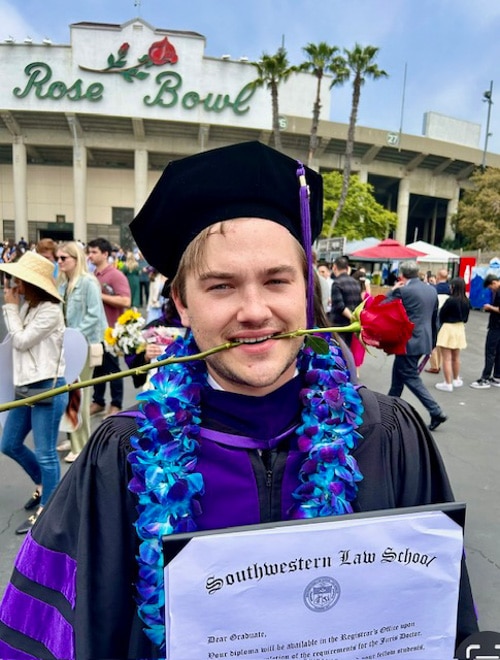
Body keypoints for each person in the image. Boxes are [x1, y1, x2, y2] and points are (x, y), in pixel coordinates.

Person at [0, 142, 477, 659]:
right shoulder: (122, 456)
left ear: (306, 291)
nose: (254, 311)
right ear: (182, 302)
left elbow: (438, 618)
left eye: (277, 280)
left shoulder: (388, 436)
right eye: (221, 286)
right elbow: (59, 635)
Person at [0, 251, 68, 535]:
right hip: (26, 387)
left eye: (18, 280)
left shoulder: (50, 311)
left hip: (47, 389)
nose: (14, 285)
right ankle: (44, 486)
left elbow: (22, 341)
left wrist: (10, 308)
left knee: (46, 453)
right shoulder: (31, 306)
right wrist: (17, 307)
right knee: (9, 443)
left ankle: (49, 511)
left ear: (32, 284)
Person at [56, 241, 108, 462]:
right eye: (58, 258)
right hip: (67, 344)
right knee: (68, 392)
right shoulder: (63, 284)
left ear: (75, 260)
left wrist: (72, 335)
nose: (58, 262)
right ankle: (73, 437)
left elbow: (94, 315)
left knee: (79, 393)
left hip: (83, 345)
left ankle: (82, 443)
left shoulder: (88, 283)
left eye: (63, 258)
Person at [385, 260, 448, 431]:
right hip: (424, 339)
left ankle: (435, 411)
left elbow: (383, 305)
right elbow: (435, 318)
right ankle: (389, 409)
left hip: (409, 342)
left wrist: (392, 290)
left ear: (401, 275)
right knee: (398, 376)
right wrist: (433, 342)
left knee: (410, 376)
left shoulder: (404, 291)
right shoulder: (430, 289)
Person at [87, 237, 131, 416]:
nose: (90, 255)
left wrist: (100, 296)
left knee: (112, 369)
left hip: (111, 330)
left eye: (94, 252)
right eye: (89, 252)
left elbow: (125, 300)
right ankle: (98, 401)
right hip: (95, 330)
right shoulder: (93, 275)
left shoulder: (115, 275)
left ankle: (116, 404)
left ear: (105, 254)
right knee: (97, 367)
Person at [434, 277, 471, 392]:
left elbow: (442, 315)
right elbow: (466, 319)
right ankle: (455, 379)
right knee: (456, 357)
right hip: (459, 328)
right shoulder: (466, 301)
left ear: (453, 287)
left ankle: (447, 383)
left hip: (448, 328)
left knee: (447, 358)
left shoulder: (450, 300)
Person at [470, 273, 500, 389]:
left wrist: (490, 307)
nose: (490, 290)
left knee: (490, 352)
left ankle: (485, 378)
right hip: (497, 325)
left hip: (496, 326)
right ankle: (497, 376)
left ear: (494, 283)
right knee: (498, 352)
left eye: (490, 287)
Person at [328, 255, 362, 347]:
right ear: (347, 268)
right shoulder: (355, 283)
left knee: (337, 351)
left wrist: (351, 317)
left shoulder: (337, 283)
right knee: (347, 351)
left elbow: (340, 306)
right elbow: (360, 303)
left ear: (334, 267)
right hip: (350, 326)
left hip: (338, 324)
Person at [425, 268, 451, 375]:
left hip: (436, 316)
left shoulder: (434, 289)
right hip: (448, 318)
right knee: (440, 342)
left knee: (433, 341)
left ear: (438, 277)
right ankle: (438, 364)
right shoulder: (450, 289)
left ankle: (434, 365)